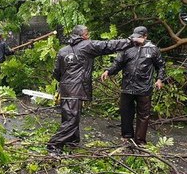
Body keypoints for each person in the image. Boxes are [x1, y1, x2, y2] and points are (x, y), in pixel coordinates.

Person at [47, 25, 145, 154]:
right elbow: (108, 45)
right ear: (83, 36)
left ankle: (72, 141)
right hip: (76, 89)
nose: (89, 36)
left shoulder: (62, 51)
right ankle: (53, 145)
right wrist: (131, 41)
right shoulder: (87, 45)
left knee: (69, 117)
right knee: (71, 120)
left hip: (66, 90)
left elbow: (56, 73)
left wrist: (65, 84)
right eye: (88, 34)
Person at [101, 26, 165, 145]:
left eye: (139, 37)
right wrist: (108, 71)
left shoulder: (153, 49)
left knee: (143, 115)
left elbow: (160, 66)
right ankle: (127, 136)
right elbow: (118, 63)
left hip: (144, 87)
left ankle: (140, 141)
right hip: (127, 86)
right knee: (126, 112)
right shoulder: (128, 48)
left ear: (145, 37)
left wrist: (159, 79)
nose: (136, 39)